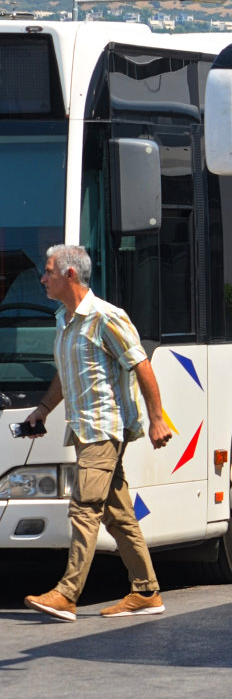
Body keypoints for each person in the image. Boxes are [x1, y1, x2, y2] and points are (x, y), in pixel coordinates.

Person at [22, 244, 173, 622]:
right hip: (83, 430)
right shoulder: (64, 318)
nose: (43, 277)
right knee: (117, 515)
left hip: (105, 429)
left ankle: (67, 594)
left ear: (70, 275)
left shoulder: (106, 317)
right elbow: (66, 374)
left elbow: (141, 365)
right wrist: (42, 410)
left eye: (49, 271)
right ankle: (146, 591)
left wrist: (157, 419)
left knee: (85, 508)